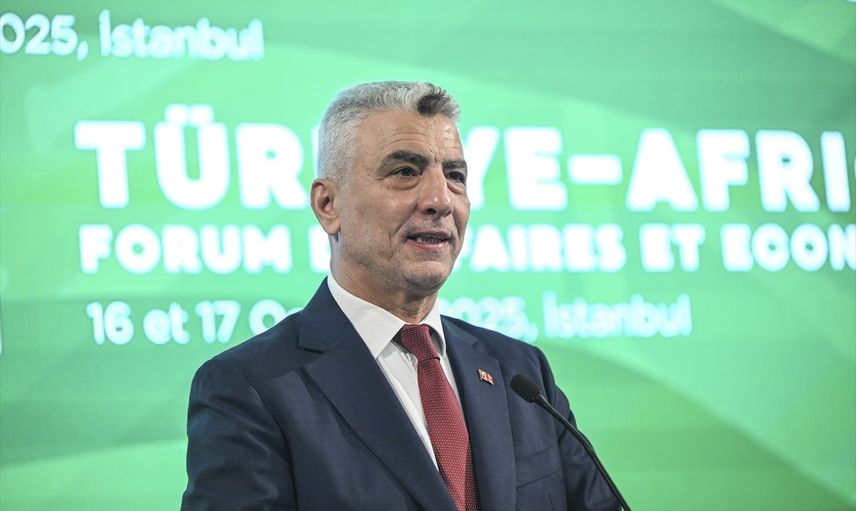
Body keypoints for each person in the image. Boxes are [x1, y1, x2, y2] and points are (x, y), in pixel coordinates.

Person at [181, 81, 620, 510]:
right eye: (405, 172)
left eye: (455, 176)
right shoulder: (251, 387)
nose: (440, 200)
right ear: (328, 205)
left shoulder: (520, 373)